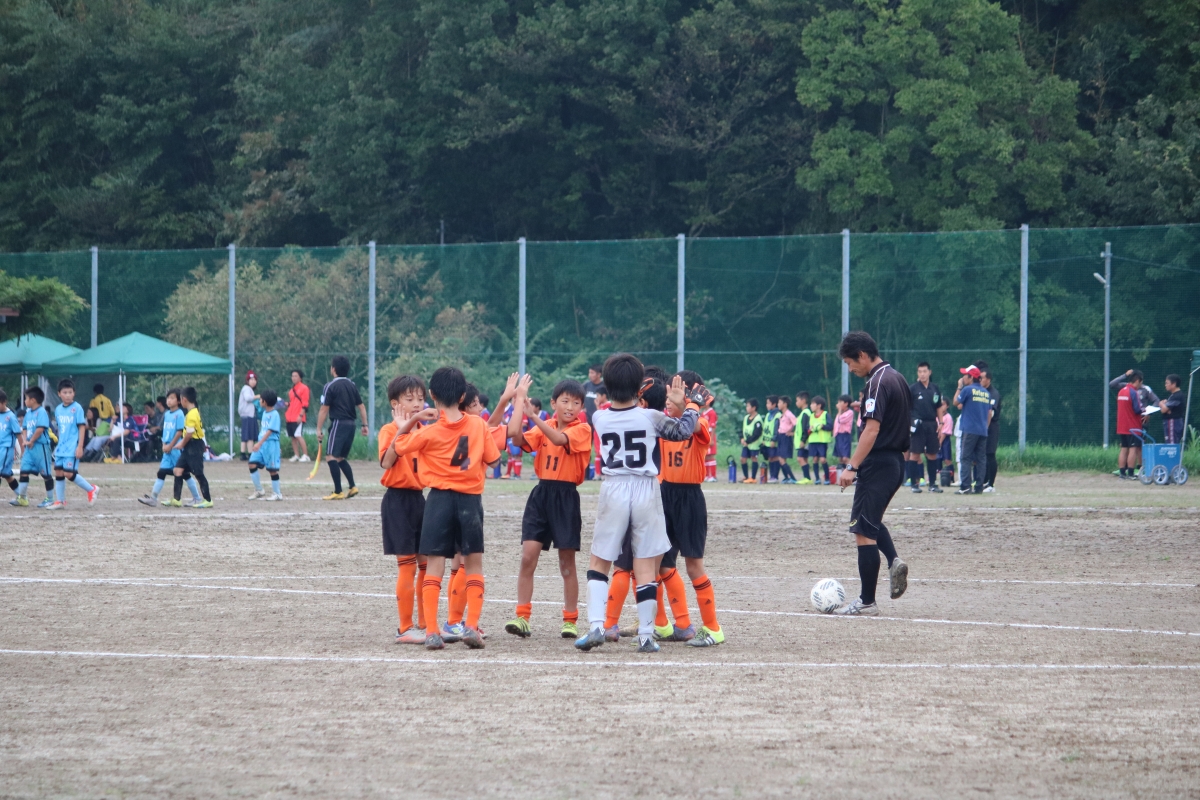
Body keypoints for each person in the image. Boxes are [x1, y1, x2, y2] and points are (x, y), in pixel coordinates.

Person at [574, 353, 701, 654]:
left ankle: (596, 626)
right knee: (645, 564)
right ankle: (646, 635)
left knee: (599, 561)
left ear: (606, 385)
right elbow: (683, 430)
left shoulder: (599, 417)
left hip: (614, 487)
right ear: (639, 387)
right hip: (646, 487)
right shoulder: (650, 417)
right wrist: (691, 405)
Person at [392, 367, 502, 650]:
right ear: (463, 396)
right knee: (472, 564)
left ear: (432, 395)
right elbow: (494, 461)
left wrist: (409, 421)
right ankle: (471, 626)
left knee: (434, 567)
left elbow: (399, 445)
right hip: (470, 501)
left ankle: (431, 631)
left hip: (438, 500)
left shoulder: (429, 432)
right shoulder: (478, 425)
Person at [503, 376, 592, 639]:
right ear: (554, 403)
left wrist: (534, 416)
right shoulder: (546, 425)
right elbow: (516, 439)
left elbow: (558, 439)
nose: (570, 407)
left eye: (576, 403)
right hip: (541, 495)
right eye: (565, 401)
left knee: (567, 563)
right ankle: (522, 616)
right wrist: (519, 402)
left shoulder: (582, 429)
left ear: (582, 407)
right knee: (527, 557)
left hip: (566, 498)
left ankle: (570, 620)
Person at [834, 331, 910, 616]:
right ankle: (893, 560)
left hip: (877, 463)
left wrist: (852, 466)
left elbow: (872, 430)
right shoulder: (897, 378)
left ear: (862, 355)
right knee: (870, 519)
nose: (850, 369)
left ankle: (866, 602)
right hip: (895, 462)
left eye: (850, 363)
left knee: (863, 530)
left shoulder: (876, 382)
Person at [656, 368, 724, 647]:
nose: (670, 398)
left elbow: (694, 426)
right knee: (661, 564)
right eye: (670, 393)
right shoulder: (662, 422)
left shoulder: (701, 421)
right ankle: (678, 625)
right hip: (664, 495)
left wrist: (689, 405)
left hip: (690, 499)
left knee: (694, 565)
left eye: (678, 392)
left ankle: (713, 629)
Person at [378, 374, 429, 645]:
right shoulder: (389, 430)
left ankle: (425, 623)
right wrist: (401, 430)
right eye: (409, 399)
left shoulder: (424, 430)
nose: (417, 403)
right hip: (397, 501)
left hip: (420, 500)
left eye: (420, 398)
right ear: (395, 404)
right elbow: (387, 463)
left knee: (426, 565)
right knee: (407, 566)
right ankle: (405, 627)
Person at [316, 356, 369, 500]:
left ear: (333, 369)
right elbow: (361, 407)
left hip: (339, 423)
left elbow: (324, 409)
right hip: (351, 424)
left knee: (330, 456)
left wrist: (318, 429)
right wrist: (365, 425)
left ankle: (338, 491)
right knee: (339, 458)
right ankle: (352, 486)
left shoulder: (330, 386)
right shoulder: (352, 385)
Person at [138, 389, 201, 507]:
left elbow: (179, 432)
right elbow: (165, 431)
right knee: (161, 472)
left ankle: (197, 498)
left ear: (179, 401)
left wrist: (171, 446)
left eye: (172, 398)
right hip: (167, 448)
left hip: (175, 448)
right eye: (168, 398)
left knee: (185, 474)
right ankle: (153, 498)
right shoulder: (167, 414)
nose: (169, 400)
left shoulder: (180, 414)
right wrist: (164, 445)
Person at [48, 379, 98, 509]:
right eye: (65, 392)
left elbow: (82, 427)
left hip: (72, 447)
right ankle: (60, 501)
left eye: (70, 392)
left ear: (74, 393)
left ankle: (91, 489)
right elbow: (61, 429)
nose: (68, 395)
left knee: (69, 473)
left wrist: (80, 446)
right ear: (59, 394)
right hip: (61, 447)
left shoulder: (77, 408)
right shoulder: (58, 409)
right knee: (59, 472)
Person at [171, 386, 213, 508]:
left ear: (184, 399)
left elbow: (189, 434)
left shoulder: (192, 414)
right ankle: (176, 499)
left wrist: (181, 444)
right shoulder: (192, 412)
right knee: (178, 470)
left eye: (180, 399)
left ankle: (208, 500)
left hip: (195, 445)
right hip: (189, 445)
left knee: (198, 473)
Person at [14, 387, 55, 508]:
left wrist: (31, 440)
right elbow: (25, 428)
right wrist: (26, 440)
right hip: (30, 447)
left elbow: (40, 429)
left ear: (33, 400)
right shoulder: (28, 413)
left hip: (41, 447)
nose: (25, 401)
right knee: (24, 471)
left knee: (45, 473)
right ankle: (22, 498)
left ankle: (50, 498)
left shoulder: (41, 412)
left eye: (26, 398)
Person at [954, 366, 992, 494]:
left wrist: (959, 387)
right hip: (982, 430)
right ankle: (979, 487)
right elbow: (989, 413)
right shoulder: (986, 393)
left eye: (965, 375)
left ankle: (965, 487)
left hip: (969, 430)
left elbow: (955, 402)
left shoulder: (967, 390)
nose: (963, 377)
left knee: (965, 458)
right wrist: (985, 427)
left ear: (971, 377)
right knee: (981, 459)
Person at [906, 362, 941, 493]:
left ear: (929, 372)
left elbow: (938, 407)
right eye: (920, 371)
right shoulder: (913, 389)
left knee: (932, 454)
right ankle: (914, 485)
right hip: (917, 425)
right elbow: (906, 407)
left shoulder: (935, 388)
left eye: (924, 371)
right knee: (915, 454)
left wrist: (941, 423)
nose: (922, 374)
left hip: (931, 424)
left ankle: (932, 484)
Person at [1111, 369, 1151, 479]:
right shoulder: (1133, 392)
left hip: (1121, 426)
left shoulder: (1121, 391)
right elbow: (1137, 410)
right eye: (1141, 383)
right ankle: (1131, 473)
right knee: (1133, 449)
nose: (1140, 385)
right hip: (1133, 426)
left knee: (1124, 449)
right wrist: (1146, 411)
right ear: (1137, 381)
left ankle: (1122, 473)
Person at [246, 390, 283, 501]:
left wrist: (259, 443)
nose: (259, 401)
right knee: (252, 463)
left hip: (270, 444)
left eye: (261, 399)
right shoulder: (265, 413)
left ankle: (277, 494)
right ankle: (259, 490)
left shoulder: (274, 414)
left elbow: (270, 431)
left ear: (265, 402)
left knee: (272, 470)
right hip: (262, 444)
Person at [979, 369, 1001, 492]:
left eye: (982, 378)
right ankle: (983, 481)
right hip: (981, 426)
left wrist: (985, 425)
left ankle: (991, 484)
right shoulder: (980, 392)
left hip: (991, 427)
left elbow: (991, 412)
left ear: (988, 379)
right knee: (982, 455)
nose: (980, 380)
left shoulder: (993, 393)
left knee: (990, 454)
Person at [286, 369, 311, 463]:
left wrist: (301, 415)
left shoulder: (304, 388)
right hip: (290, 417)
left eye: (296, 376)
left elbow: (305, 403)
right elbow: (293, 403)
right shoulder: (291, 390)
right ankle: (296, 455)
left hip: (298, 416)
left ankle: (306, 455)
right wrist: (287, 404)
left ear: (300, 377)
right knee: (293, 436)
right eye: (292, 376)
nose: (294, 378)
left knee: (298, 435)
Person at [807, 396, 833, 484]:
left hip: (822, 441)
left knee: (822, 459)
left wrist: (822, 426)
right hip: (813, 441)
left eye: (813, 404)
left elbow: (830, 426)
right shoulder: (811, 416)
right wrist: (810, 429)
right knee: (815, 459)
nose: (811, 405)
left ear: (819, 405)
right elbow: (807, 428)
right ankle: (817, 479)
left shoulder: (825, 414)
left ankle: (827, 479)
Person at [0, 389, 20, 500]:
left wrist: (22, 450)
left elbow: (18, 434)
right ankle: (22, 497)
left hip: (6, 449)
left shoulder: (11, 417)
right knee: (7, 475)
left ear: (4, 402)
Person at [775, 395, 798, 484]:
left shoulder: (789, 414)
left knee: (782, 459)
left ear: (785, 404)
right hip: (781, 436)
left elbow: (797, 424)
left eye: (779, 402)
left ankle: (792, 478)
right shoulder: (782, 414)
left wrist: (793, 433)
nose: (778, 404)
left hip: (786, 437)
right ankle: (786, 478)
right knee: (780, 459)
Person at [739, 398, 763, 483]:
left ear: (754, 408)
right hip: (746, 444)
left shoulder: (758, 419)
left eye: (748, 406)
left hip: (754, 444)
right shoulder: (746, 418)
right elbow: (742, 429)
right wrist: (742, 438)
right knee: (743, 459)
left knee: (754, 458)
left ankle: (753, 478)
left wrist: (748, 441)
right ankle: (746, 476)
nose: (747, 408)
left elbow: (757, 434)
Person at [238, 371, 259, 461]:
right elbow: (248, 398)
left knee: (245, 436)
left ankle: (243, 453)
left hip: (246, 415)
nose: (253, 381)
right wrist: (257, 396)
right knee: (250, 436)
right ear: (247, 380)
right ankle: (250, 454)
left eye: (255, 379)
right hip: (248, 415)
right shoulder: (247, 388)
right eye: (251, 379)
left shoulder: (248, 389)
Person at [833, 394, 855, 481]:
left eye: (840, 402)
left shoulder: (850, 412)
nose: (838, 404)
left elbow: (841, 420)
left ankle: (853, 475)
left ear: (846, 403)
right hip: (838, 436)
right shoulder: (840, 413)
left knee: (845, 458)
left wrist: (839, 411)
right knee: (841, 458)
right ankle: (842, 477)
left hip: (845, 436)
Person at [793, 392, 814, 484]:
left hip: (804, 441)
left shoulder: (806, 413)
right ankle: (807, 478)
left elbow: (806, 428)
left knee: (800, 458)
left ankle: (807, 478)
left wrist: (803, 440)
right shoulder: (803, 413)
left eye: (797, 400)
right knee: (804, 459)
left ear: (803, 400)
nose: (796, 403)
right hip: (802, 441)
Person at [1159, 374, 1186, 444]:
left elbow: (1163, 410)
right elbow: (1166, 410)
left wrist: (1161, 404)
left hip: (1173, 422)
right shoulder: (1173, 395)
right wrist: (1166, 408)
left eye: (1167, 383)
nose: (1165, 385)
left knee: (1171, 444)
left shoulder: (1177, 396)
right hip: (1172, 422)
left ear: (1174, 384)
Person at [936, 397, 954, 486]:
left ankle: (951, 478)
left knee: (947, 459)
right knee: (937, 459)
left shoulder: (948, 417)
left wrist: (939, 443)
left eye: (943, 405)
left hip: (945, 440)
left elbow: (945, 432)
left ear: (947, 406)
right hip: (937, 439)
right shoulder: (936, 417)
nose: (941, 407)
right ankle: (936, 478)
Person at [702, 393, 719, 482]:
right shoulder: (703, 413)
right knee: (705, 456)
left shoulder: (712, 413)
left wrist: (712, 439)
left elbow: (713, 427)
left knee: (710, 456)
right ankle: (705, 475)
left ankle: (712, 475)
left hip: (710, 437)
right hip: (704, 437)